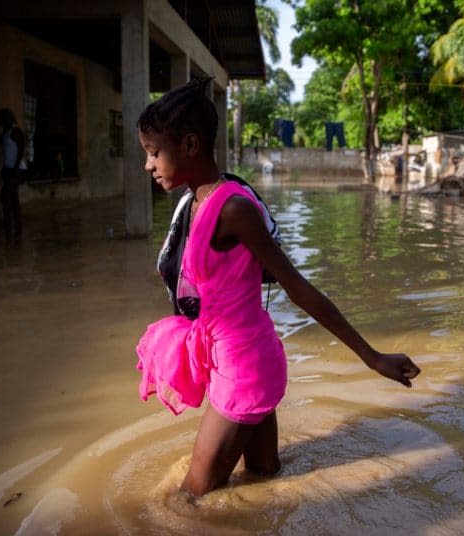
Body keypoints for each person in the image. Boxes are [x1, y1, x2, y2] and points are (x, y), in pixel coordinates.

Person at [135, 78, 421, 497]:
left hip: (243, 367)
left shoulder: (232, 208)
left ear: (190, 145)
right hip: (241, 357)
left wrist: (372, 357)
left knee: (188, 501)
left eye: (154, 153)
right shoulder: (194, 203)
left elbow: (297, 287)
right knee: (264, 481)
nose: (149, 165)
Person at [0, 108, 26, 238]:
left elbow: (21, 150)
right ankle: (16, 228)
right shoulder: (6, 132)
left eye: (1, 119)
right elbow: (3, 142)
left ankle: (9, 227)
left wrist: (15, 168)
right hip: (10, 170)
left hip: (17, 170)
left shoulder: (16, 131)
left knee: (4, 196)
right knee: (12, 198)